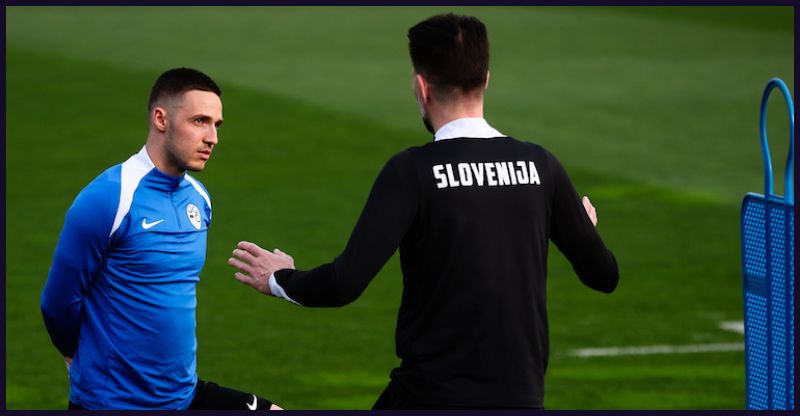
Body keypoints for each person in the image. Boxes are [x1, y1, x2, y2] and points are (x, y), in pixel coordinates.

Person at [229, 13, 619, 410]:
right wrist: (583, 231)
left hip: (430, 397)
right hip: (521, 400)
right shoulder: (540, 165)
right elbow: (604, 276)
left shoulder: (412, 171)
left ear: (421, 87)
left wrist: (279, 278)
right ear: (486, 78)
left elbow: (344, 284)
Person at [40, 68, 281, 410]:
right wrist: (74, 355)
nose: (212, 138)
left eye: (217, 125)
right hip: (115, 403)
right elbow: (57, 302)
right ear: (161, 119)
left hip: (183, 395)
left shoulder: (199, 198)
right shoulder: (110, 198)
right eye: (200, 121)